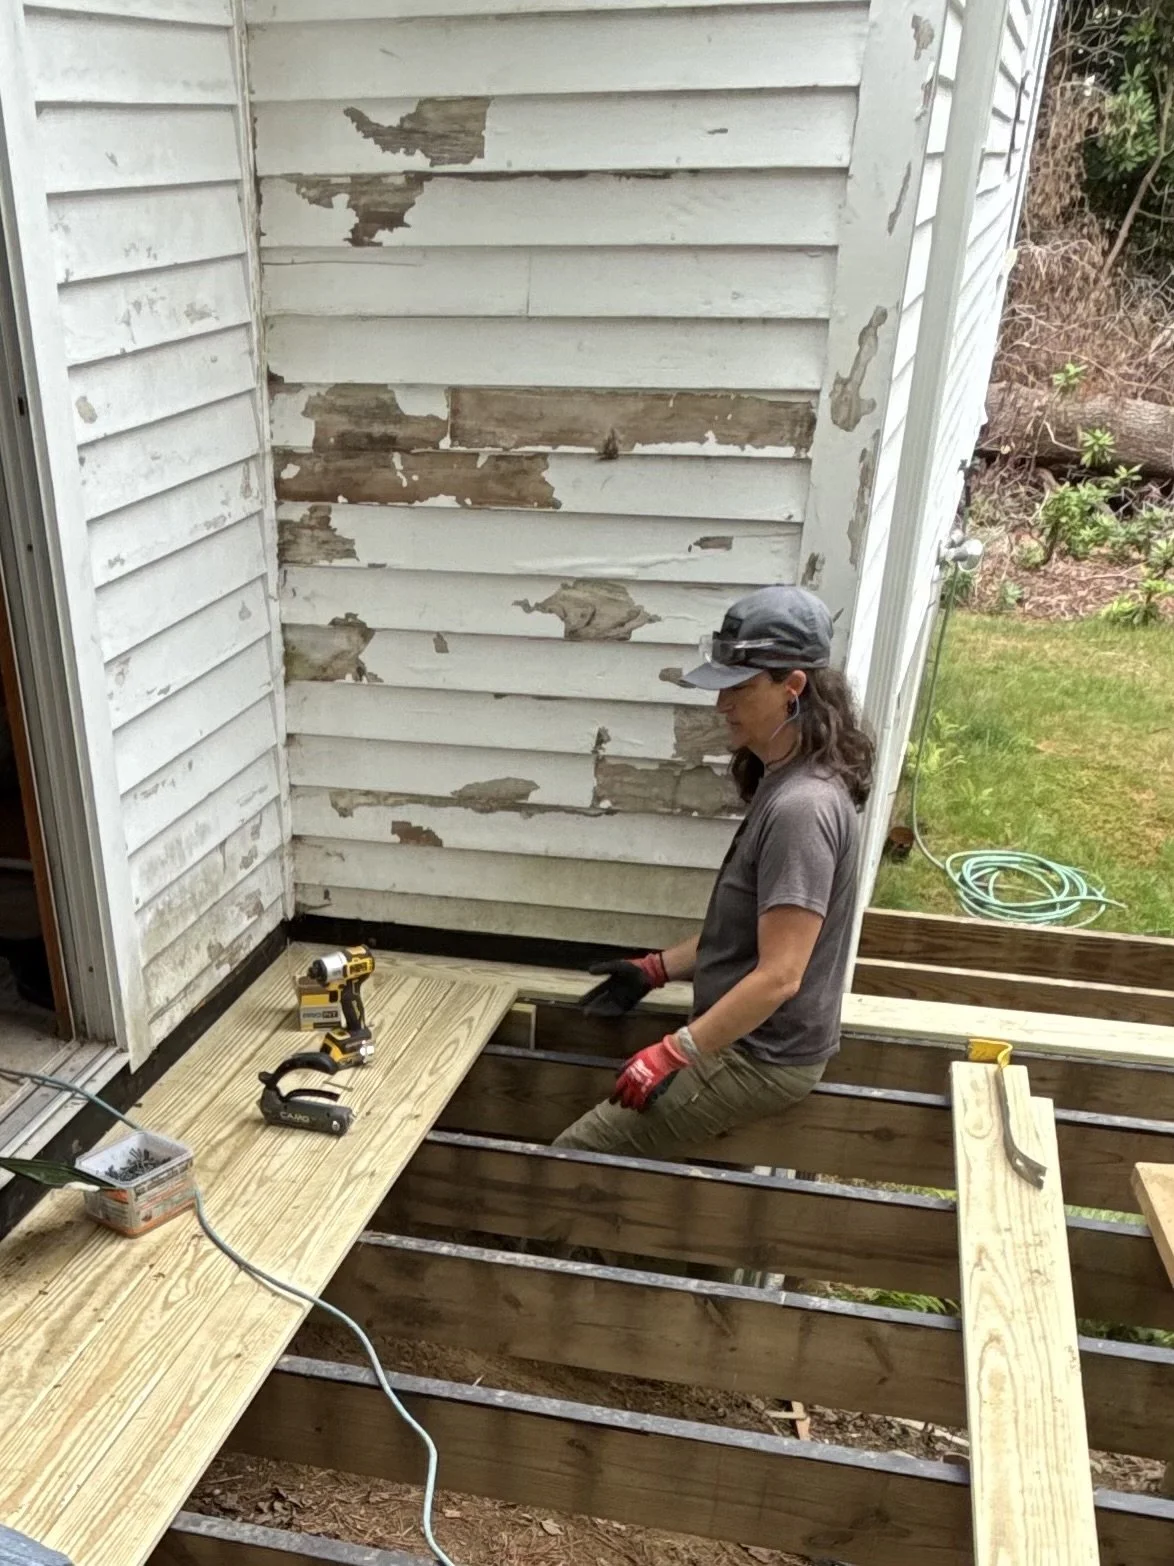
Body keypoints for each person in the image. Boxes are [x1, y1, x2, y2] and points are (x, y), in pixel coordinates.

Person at [554, 584, 874, 1161]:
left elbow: (780, 976)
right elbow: (751, 931)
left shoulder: (802, 809)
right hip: (743, 1037)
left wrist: (674, 1052)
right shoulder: (787, 777)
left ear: (792, 688)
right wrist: (653, 970)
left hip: (762, 1056)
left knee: (575, 1157)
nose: (721, 705)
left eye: (739, 689)